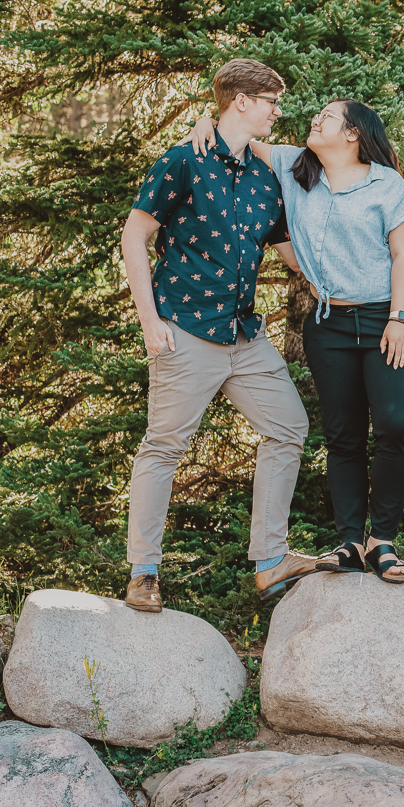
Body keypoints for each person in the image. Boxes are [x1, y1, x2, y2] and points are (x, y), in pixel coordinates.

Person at [190, 101, 404, 583]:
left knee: (395, 425)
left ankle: (383, 540)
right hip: (329, 325)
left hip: (388, 318)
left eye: (327, 117)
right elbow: (235, 134)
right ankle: (351, 543)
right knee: (342, 435)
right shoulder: (293, 165)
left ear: (354, 133)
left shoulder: (387, 184)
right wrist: (203, 121)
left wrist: (398, 318)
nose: (315, 120)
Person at [119, 58, 317, 612]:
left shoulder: (263, 174)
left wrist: (351, 284)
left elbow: (288, 253)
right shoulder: (182, 160)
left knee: (288, 428)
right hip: (184, 332)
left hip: (244, 337)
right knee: (164, 447)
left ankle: (270, 559)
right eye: (272, 102)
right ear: (241, 102)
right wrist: (149, 320)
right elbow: (134, 236)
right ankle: (144, 573)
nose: (279, 111)